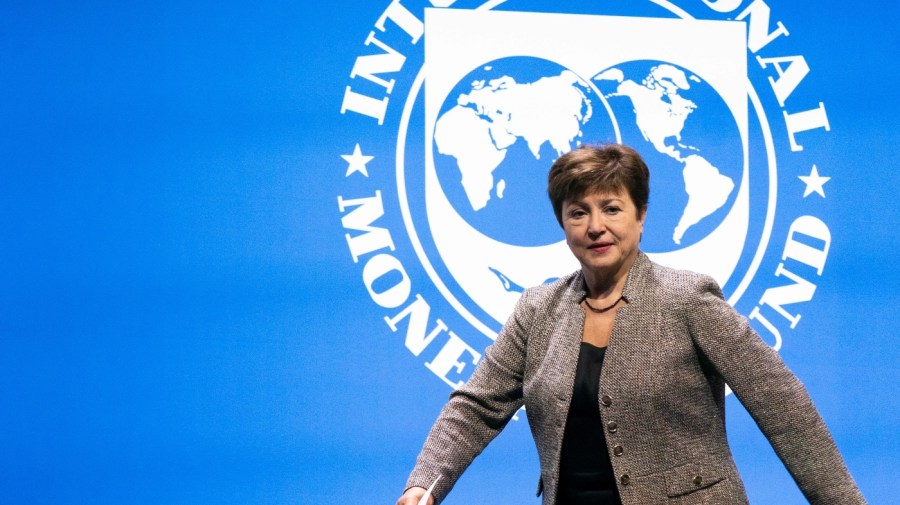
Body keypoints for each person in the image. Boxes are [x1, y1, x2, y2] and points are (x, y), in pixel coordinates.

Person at [396, 144, 864, 505]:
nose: (595, 226)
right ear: (563, 224)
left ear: (641, 217)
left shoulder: (688, 299)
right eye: (578, 212)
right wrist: (425, 485)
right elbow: (475, 407)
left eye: (611, 208)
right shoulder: (537, 309)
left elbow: (782, 404)